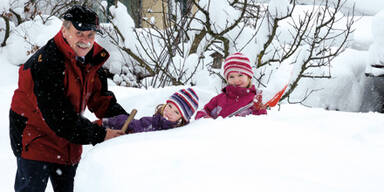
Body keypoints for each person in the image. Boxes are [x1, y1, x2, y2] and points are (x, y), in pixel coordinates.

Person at [9, 5, 128, 192]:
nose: (85, 41)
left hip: (68, 139)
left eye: (90, 35)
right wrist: (101, 133)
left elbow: (100, 98)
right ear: (64, 30)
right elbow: (57, 115)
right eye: (79, 33)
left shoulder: (91, 58)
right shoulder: (48, 62)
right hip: (34, 136)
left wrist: (125, 122)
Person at [195, 52, 267, 119]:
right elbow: (203, 111)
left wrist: (259, 109)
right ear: (227, 79)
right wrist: (205, 119)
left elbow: (261, 122)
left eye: (240, 75)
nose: (236, 80)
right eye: (231, 77)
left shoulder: (254, 100)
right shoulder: (219, 99)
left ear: (248, 77)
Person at [102, 88, 199, 133]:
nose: (169, 112)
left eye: (176, 112)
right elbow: (133, 124)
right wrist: (107, 123)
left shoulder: (181, 132)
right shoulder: (154, 122)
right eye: (169, 106)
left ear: (183, 118)